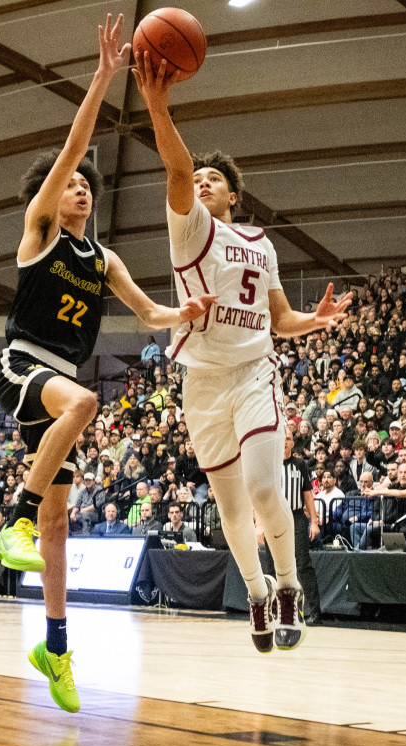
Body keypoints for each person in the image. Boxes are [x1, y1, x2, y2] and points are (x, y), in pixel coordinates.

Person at [0, 15, 212, 714]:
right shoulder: (40, 231)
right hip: (26, 365)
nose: (81, 187)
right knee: (85, 404)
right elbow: (76, 144)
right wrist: (102, 78)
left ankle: (54, 646)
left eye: (89, 185)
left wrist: (186, 314)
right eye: (72, 183)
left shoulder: (102, 258)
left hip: (55, 382)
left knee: (63, 525)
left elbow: (149, 314)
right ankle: (12, 519)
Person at [134, 50, 351, 654]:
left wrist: (316, 320)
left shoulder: (261, 243)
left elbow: (279, 320)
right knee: (229, 508)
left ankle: (288, 587)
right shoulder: (190, 228)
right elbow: (176, 171)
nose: (200, 183)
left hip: (254, 371)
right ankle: (255, 594)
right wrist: (158, 105)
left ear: (233, 196)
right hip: (201, 382)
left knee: (263, 489)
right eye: (197, 179)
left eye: (213, 180)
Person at [282, 431, 321, 623]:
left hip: (297, 516)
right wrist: (260, 524)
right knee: (273, 565)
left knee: (302, 563)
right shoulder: (269, 464)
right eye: (280, 438)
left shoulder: (300, 465)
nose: (283, 441)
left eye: (287, 438)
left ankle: (313, 611)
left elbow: (308, 494)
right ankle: (279, 611)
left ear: (292, 442)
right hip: (275, 518)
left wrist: (313, 521)